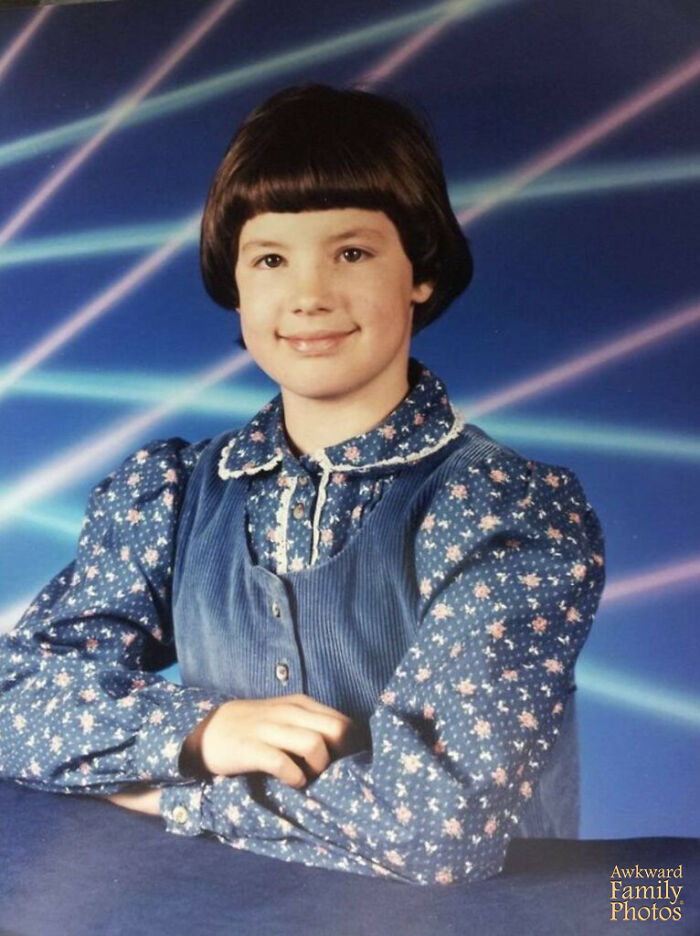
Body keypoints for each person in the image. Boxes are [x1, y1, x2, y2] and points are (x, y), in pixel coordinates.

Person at [0, 84, 605, 886]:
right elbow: (14, 697)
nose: (309, 296)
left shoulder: (505, 511)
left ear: (419, 272)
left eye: (351, 253)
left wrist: (178, 792)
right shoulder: (176, 491)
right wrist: (202, 730)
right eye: (272, 259)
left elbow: (440, 831)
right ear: (238, 284)